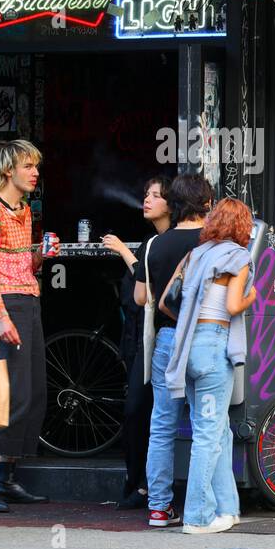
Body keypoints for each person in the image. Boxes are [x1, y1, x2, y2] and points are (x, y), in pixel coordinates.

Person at [160, 198, 256, 535]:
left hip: (186, 348)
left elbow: (165, 303)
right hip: (215, 347)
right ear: (243, 227)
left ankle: (228, 509)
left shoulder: (195, 255)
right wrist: (251, 297)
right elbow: (233, 305)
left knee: (220, 432)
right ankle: (198, 517)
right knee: (207, 435)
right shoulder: (238, 256)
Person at [0, 140, 51, 509]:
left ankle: (6, 475)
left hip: (28, 299)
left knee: (33, 393)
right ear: (8, 171)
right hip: (7, 306)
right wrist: (0, 317)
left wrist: (40, 256)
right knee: (9, 393)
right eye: (28, 166)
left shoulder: (24, 210)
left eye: (35, 166)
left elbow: (21, 266)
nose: (34, 173)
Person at [137, 171, 214, 527]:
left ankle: (158, 506)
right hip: (203, 337)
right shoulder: (210, 242)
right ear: (206, 204)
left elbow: (142, 298)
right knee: (205, 425)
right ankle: (202, 507)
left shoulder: (155, 246)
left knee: (162, 425)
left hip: (167, 338)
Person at [102, 176, 172, 510]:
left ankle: (146, 486)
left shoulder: (166, 243)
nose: (146, 200)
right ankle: (140, 484)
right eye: (145, 194)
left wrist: (121, 252)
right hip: (142, 338)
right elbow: (143, 281)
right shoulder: (150, 243)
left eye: (155, 195)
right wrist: (126, 254)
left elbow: (143, 290)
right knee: (140, 412)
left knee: (144, 412)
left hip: (158, 339)